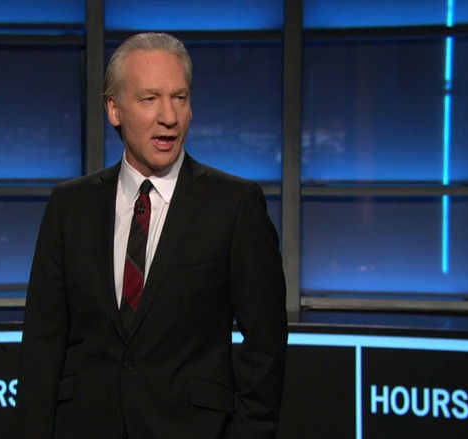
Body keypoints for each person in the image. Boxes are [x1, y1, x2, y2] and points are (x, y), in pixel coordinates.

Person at [19, 32, 287, 439]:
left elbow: (266, 344)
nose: (169, 116)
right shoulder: (69, 206)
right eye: (149, 98)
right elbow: (43, 341)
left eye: (179, 97)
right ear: (114, 109)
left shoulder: (234, 205)